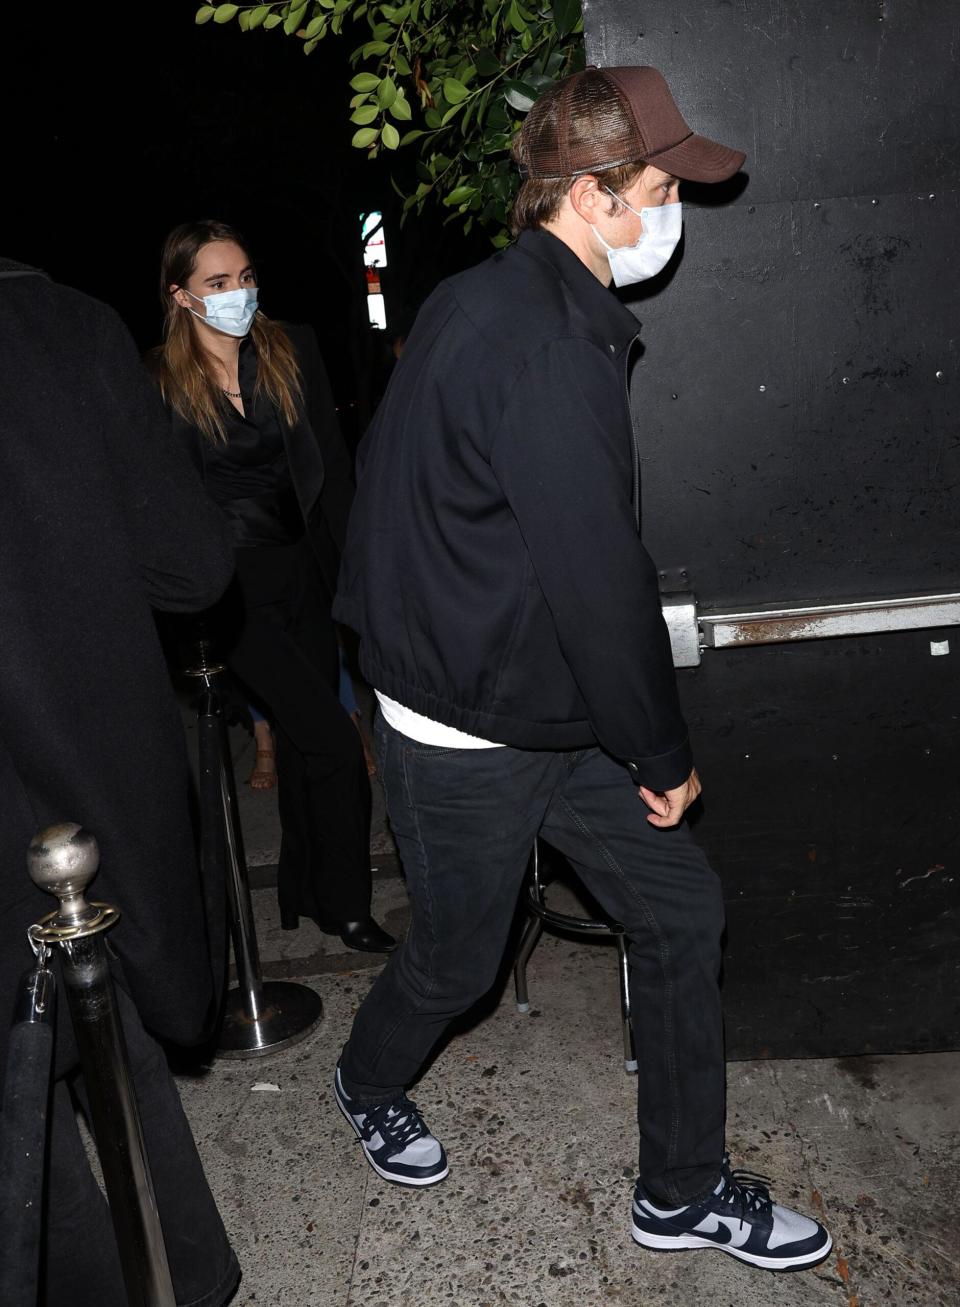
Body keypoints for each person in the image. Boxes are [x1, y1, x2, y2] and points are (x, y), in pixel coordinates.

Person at [331, 66, 833, 1271]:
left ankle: (681, 1187)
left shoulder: (492, 296)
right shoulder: (549, 339)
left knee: (680, 908)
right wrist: (662, 750)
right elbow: (599, 579)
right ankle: (364, 1075)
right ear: (599, 194)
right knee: (459, 953)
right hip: (471, 716)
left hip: (535, 696)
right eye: (662, 186)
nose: (673, 211)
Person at [0, 257, 240, 1304]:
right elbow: (191, 565)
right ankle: (188, 1265)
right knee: (106, 1013)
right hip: (73, 763)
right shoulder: (58, 327)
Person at [151, 220, 394, 953]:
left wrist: (360, 573)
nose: (239, 294)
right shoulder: (158, 380)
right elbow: (161, 502)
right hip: (231, 595)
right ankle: (350, 906)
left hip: (306, 573)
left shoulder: (292, 350)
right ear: (181, 296)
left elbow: (335, 472)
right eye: (218, 284)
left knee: (297, 744)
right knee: (333, 740)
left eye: (246, 276)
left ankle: (307, 891)